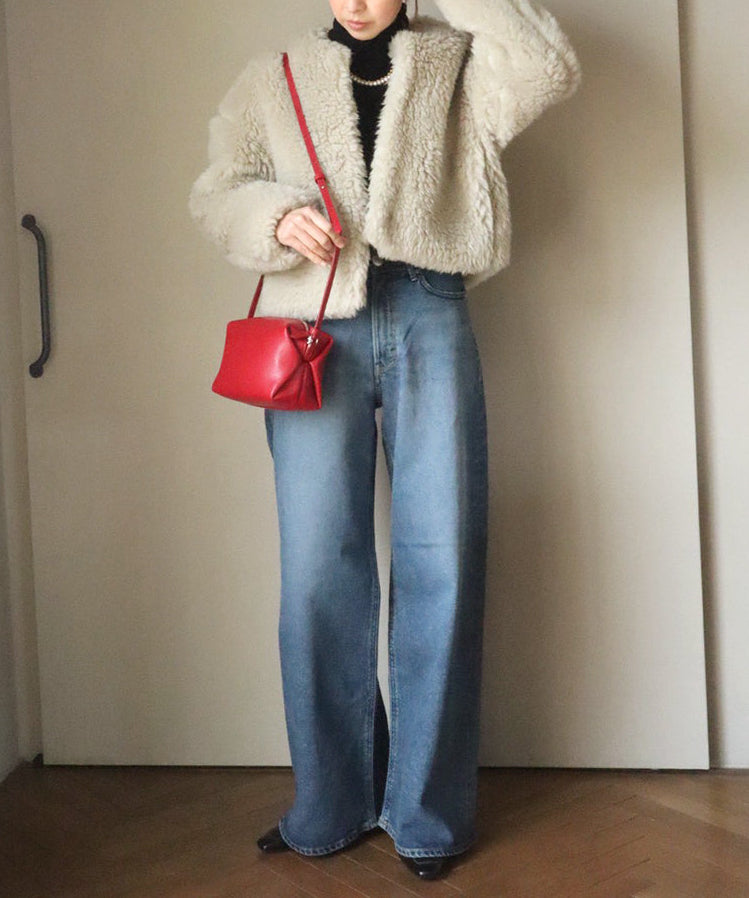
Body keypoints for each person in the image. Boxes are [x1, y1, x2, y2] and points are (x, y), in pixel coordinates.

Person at [189, 0, 580, 880]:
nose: (357, 1)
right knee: (316, 570)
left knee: (443, 557)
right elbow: (216, 192)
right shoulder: (271, 78)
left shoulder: (456, 64)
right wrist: (273, 216)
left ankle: (426, 816)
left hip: (429, 306)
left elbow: (546, 68)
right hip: (310, 320)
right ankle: (329, 805)